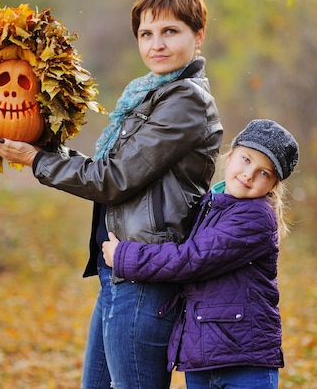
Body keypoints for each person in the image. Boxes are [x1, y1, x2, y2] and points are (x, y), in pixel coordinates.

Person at [0, 0, 222, 389]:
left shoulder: (186, 102)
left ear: (198, 36)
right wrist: (42, 147)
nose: (156, 44)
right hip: (120, 270)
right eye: (146, 34)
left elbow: (113, 179)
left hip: (146, 276)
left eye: (170, 31)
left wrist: (36, 160)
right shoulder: (148, 95)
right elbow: (108, 167)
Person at [102, 119, 299, 389]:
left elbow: (191, 259)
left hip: (243, 362)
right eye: (246, 159)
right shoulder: (210, 205)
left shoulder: (254, 217)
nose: (250, 174)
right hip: (203, 360)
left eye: (264, 173)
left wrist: (125, 256)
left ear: (273, 185)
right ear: (229, 156)